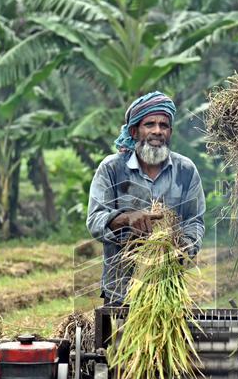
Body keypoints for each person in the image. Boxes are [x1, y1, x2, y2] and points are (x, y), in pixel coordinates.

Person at [86, 91, 206, 305]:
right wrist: (126, 219)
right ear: (134, 131)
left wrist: (183, 248)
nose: (157, 131)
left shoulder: (186, 170)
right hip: (121, 287)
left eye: (164, 125)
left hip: (168, 287)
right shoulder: (112, 168)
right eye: (149, 124)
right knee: (120, 338)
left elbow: (194, 221)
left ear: (170, 132)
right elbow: (95, 220)